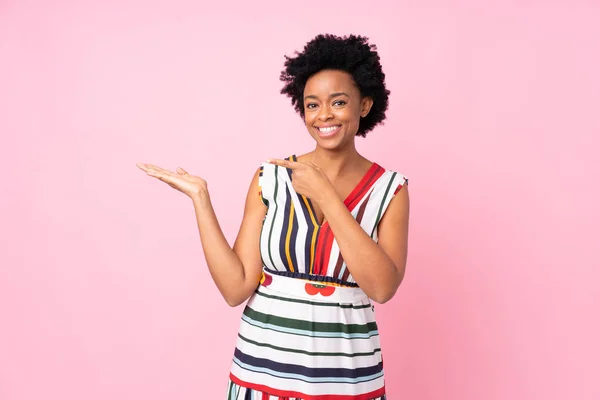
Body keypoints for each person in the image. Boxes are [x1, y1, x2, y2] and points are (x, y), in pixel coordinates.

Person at [137, 33, 410, 400]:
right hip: (260, 379)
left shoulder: (390, 189)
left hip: (347, 384)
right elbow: (236, 289)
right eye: (312, 105)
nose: (324, 115)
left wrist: (328, 198)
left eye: (339, 102)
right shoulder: (271, 178)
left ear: (364, 106)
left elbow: (382, 287)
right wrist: (201, 199)